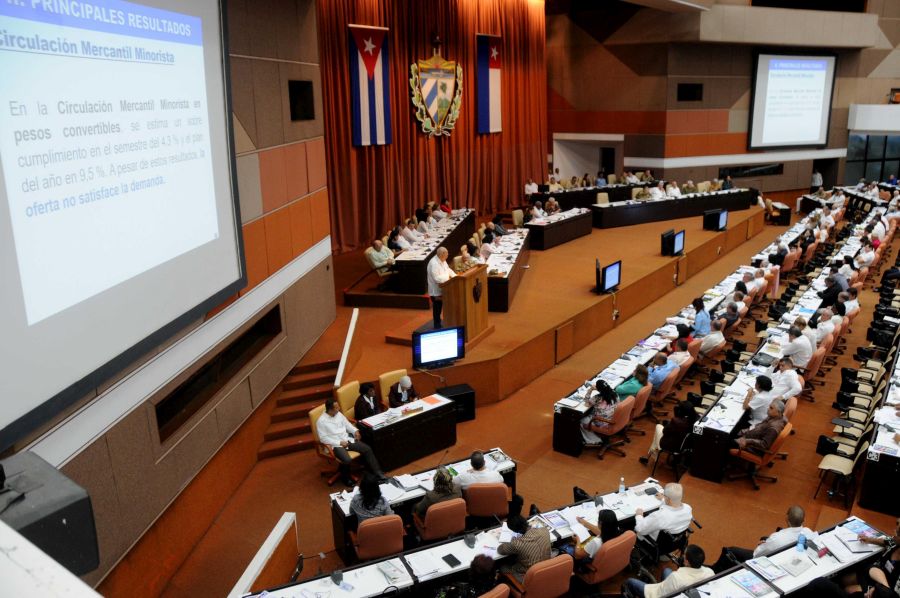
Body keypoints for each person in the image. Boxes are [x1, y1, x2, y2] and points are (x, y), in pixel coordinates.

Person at [711, 505, 816, 572]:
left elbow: (756, 555)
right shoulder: (808, 533)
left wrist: (761, 545)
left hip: (770, 563)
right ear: (804, 520)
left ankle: (714, 570)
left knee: (730, 550)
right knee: (765, 539)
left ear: (787, 519)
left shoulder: (777, 538)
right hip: (788, 559)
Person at [317, 398, 385, 486]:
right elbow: (323, 438)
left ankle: (378, 473)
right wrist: (339, 443)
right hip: (334, 445)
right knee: (347, 459)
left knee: (367, 449)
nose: (339, 409)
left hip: (347, 439)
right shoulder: (321, 421)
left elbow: (347, 424)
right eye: (337, 408)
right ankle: (345, 478)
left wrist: (355, 431)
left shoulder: (338, 414)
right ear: (330, 409)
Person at [624, 544, 713, 598]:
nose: (682, 557)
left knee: (629, 582)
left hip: (663, 592)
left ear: (687, 562)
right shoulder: (710, 572)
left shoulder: (676, 578)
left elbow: (660, 594)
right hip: (682, 588)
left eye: (684, 556)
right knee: (667, 570)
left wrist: (652, 589)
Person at [639, 400, 698, 466]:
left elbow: (665, 431)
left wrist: (672, 421)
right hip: (685, 445)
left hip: (672, 445)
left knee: (658, 426)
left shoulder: (676, 422)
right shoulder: (696, 419)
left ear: (681, 411)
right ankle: (650, 454)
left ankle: (650, 455)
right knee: (659, 434)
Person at [497, 514, 552, 583]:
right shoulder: (544, 530)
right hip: (547, 566)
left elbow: (500, 550)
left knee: (501, 567)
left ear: (514, 531)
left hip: (528, 574)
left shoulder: (517, 543)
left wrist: (513, 540)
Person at [427, 247, 456, 328]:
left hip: (443, 289)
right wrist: (449, 277)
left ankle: (439, 323)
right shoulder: (434, 264)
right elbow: (437, 278)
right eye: (447, 254)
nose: (448, 255)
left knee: (439, 308)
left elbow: (448, 269)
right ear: (442, 254)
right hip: (436, 291)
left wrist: (455, 277)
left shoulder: (442, 260)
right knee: (437, 309)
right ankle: (437, 325)